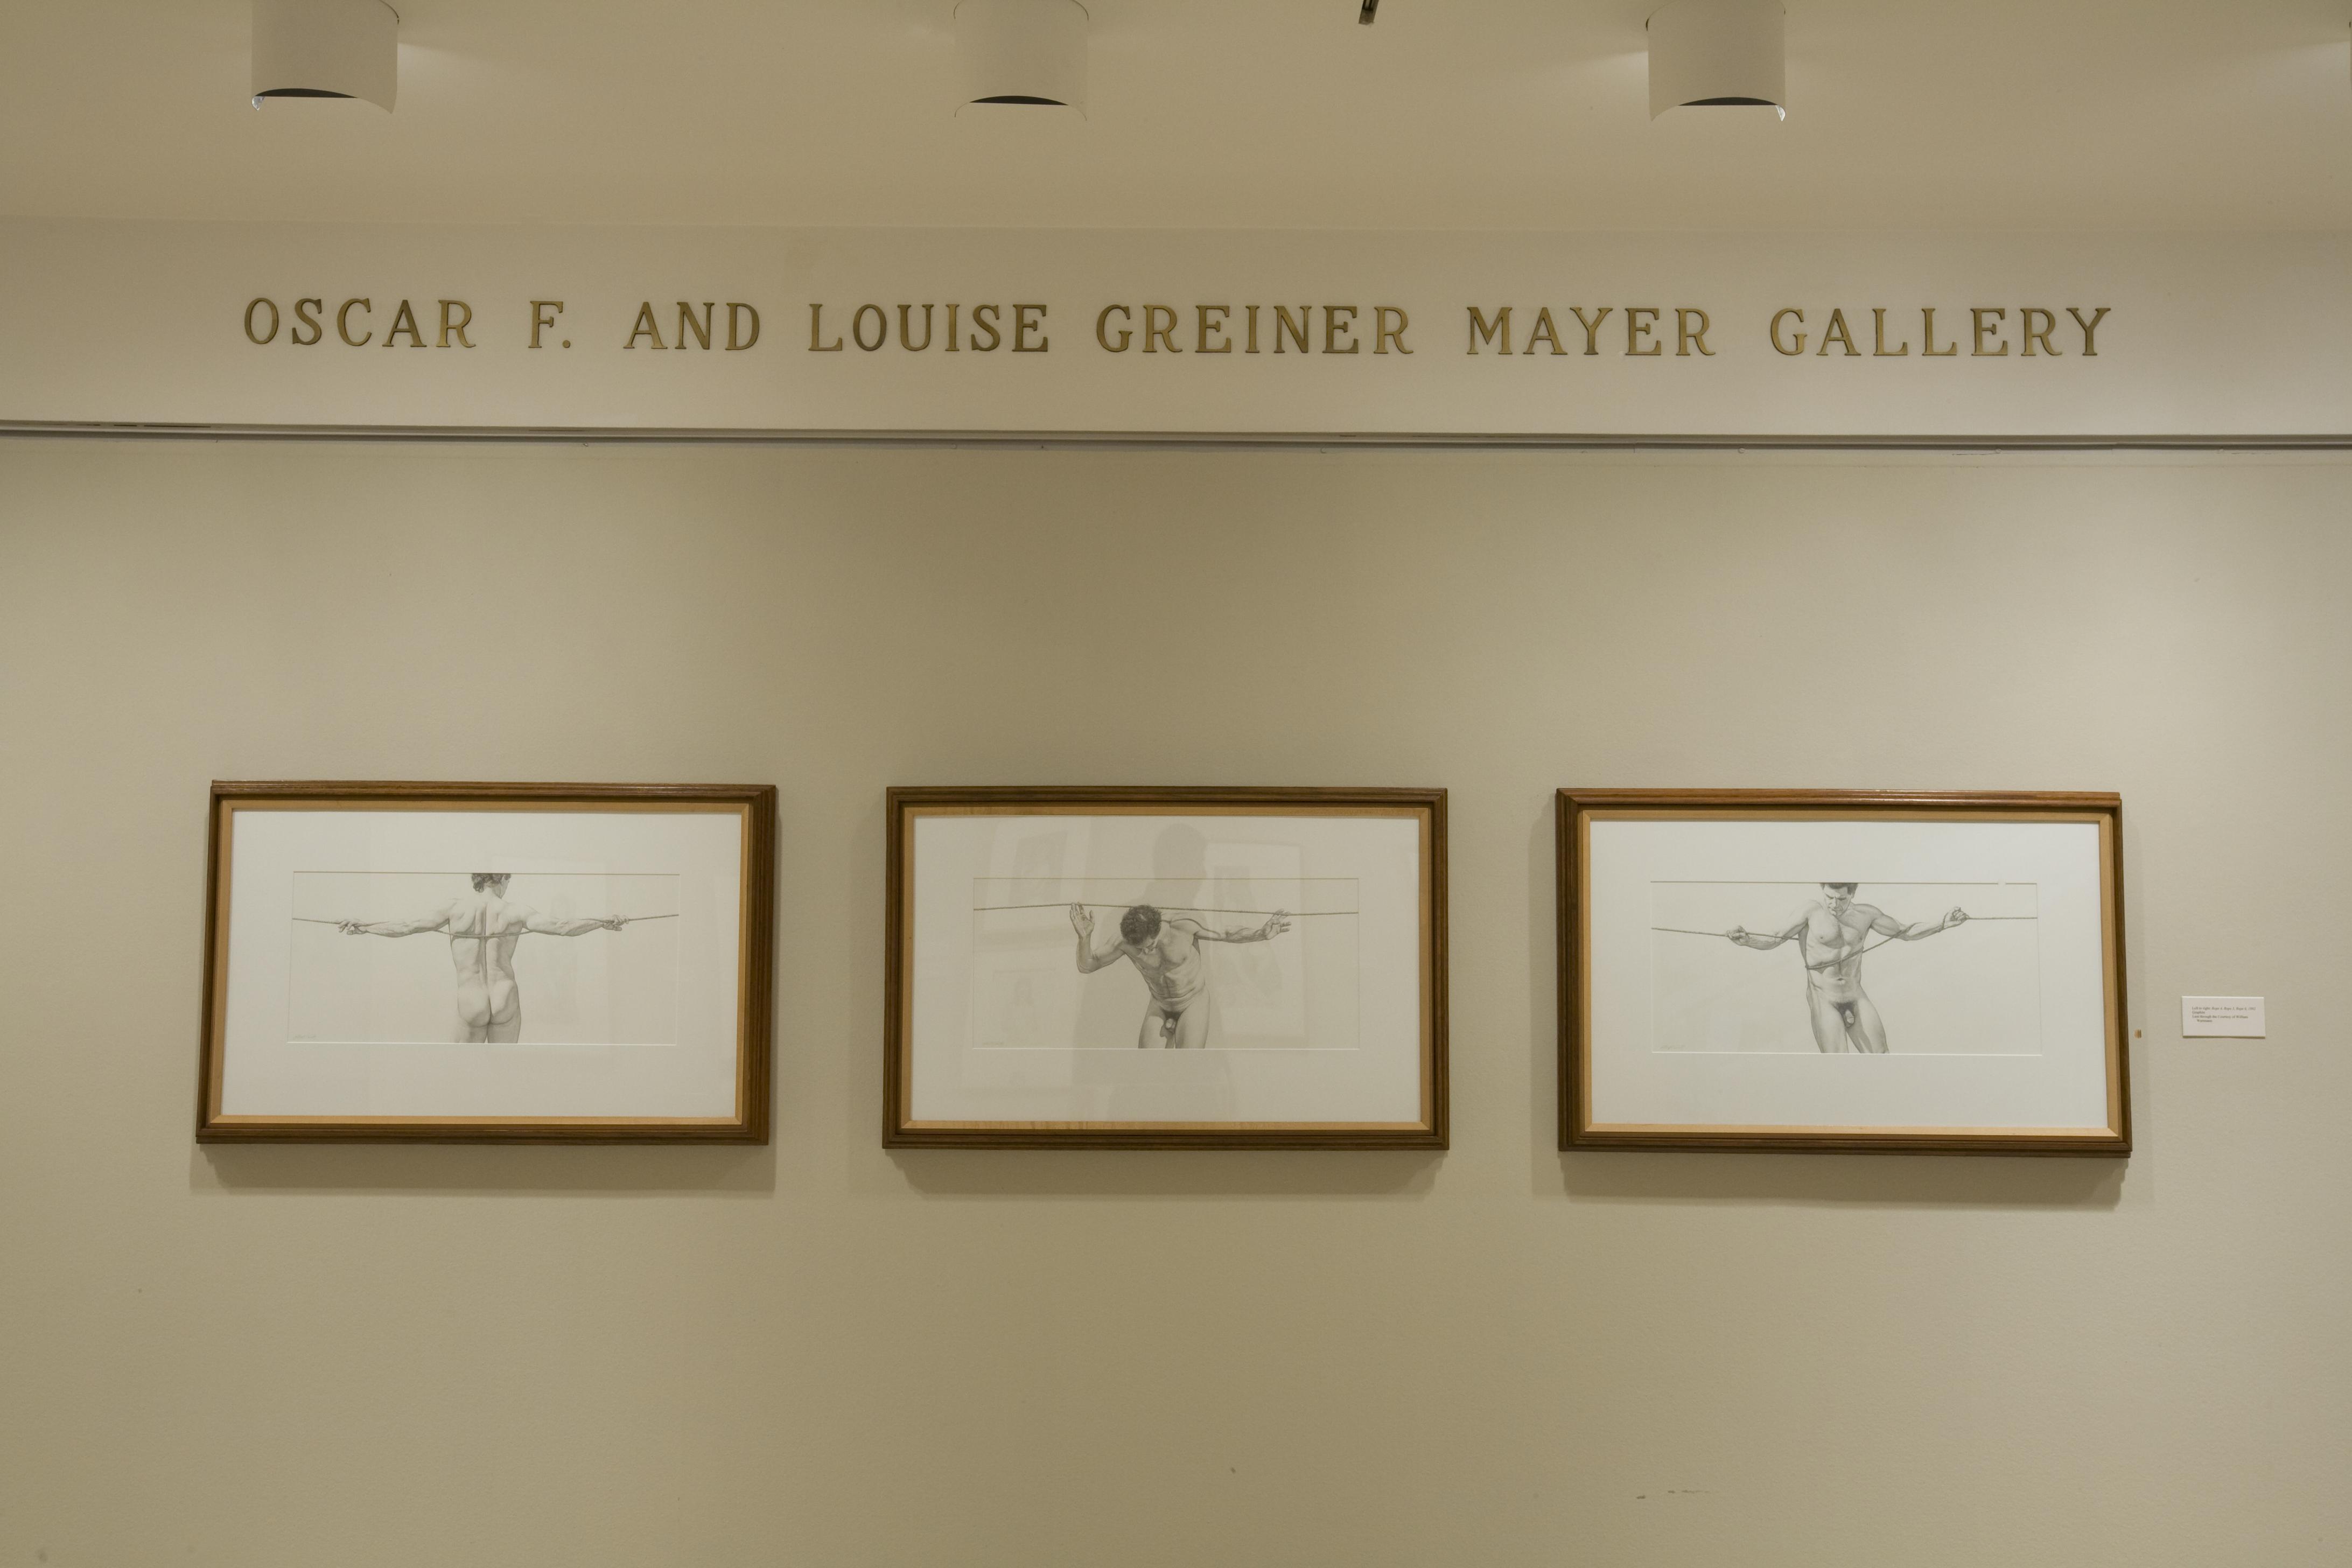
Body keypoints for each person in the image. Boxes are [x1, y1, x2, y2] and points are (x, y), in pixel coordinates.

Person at [339, 872, 622, 1043]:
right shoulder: (515, 911)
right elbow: (562, 927)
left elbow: (406, 927)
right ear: (504, 879)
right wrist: (603, 922)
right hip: (504, 996)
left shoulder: (455, 908)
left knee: (464, 1076)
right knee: (503, 1074)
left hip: (470, 997)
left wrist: (365, 927)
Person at [1726, 882, 1966, 1054]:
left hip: (1855, 995)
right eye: (1829, 897)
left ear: (1852, 894)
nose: (1834, 904)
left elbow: (1905, 932)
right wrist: (1748, 940)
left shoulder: (1866, 914)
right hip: (1824, 999)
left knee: (1882, 1057)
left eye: (1841, 899)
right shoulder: (1810, 912)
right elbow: (1776, 938)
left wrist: (1942, 924)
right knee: (1838, 1063)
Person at [1068, 902, 1293, 1049]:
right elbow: (1088, 966)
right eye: (1140, 949)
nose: (1146, 952)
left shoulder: (1182, 925)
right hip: (1160, 1004)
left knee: (1188, 1068)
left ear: (1158, 930)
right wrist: (1084, 939)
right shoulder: (1123, 941)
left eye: (1150, 945)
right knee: (1145, 1071)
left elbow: (1225, 933)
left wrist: (1260, 934)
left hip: (1192, 1002)